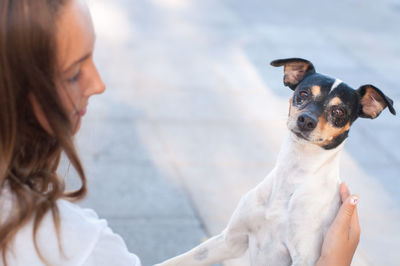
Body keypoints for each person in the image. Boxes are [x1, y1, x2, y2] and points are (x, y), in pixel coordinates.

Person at [0, 0, 360, 265]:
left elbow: (226, 245)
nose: (99, 83)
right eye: (74, 72)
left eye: (335, 113)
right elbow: (228, 244)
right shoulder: (72, 243)